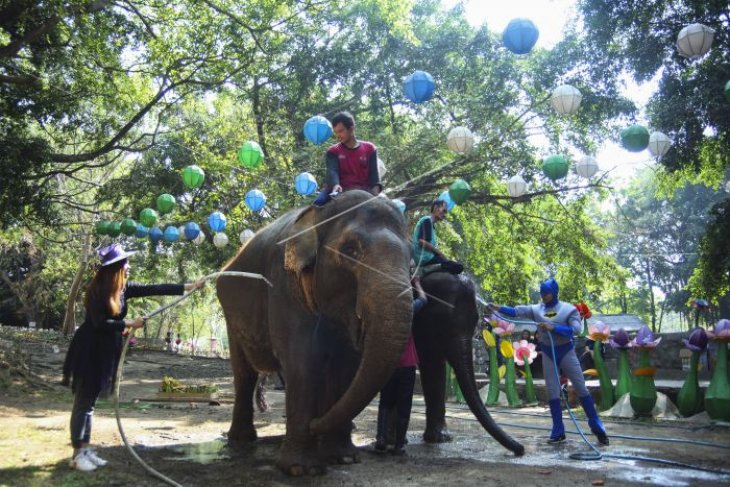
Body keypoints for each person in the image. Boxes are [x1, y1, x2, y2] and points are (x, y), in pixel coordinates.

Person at [62, 244, 205, 471]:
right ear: (116, 268)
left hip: (106, 351)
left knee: (90, 403)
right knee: (83, 403)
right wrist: (128, 323)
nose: (129, 267)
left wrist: (190, 286)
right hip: (89, 351)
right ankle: (78, 454)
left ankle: (86, 449)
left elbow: (155, 288)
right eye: (125, 264)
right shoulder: (97, 291)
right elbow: (99, 324)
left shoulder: (123, 289)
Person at [488, 278, 608, 445]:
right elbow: (517, 311)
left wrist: (554, 327)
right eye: (542, 294)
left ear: (554, 293)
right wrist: (498, 308)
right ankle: (558, 430)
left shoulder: (568, 309)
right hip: (548, 353)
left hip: (566, 351)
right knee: (552, 391)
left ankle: (597, 427)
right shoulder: (536, 309)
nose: (544, 297)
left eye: (547, 294)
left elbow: (576, 329)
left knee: (580, 386)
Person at [375, 276, 427, 455]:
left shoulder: (383, 312)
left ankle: (381, 438)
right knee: (404, 404)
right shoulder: (408, 309)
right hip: (407, 364)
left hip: (388, 363)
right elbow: (423, 299)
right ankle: (399, 444)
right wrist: (417, 283)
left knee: (386, 401)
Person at [313, 111, 381, 206]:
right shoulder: (333, 151)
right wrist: (335, 185)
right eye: (336, 132)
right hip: (339, 190)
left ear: (351, 129)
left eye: (341, 131)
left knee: (389, 209)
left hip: (364, 192)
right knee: (318, 203)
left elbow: (374, 177)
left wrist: (375, 195)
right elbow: (332, 171)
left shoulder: (370, 149)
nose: (338, 135)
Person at [412, 199, 464, 274]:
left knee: (451, 264)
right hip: (424, 258)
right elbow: (422, 242)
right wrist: (439, 252)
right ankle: (421, 271)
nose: (445, 215)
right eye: (444, 211)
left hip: (429, 257)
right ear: (436, 208)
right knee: (458, 267)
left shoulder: (432, 227)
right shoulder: (427, 220)